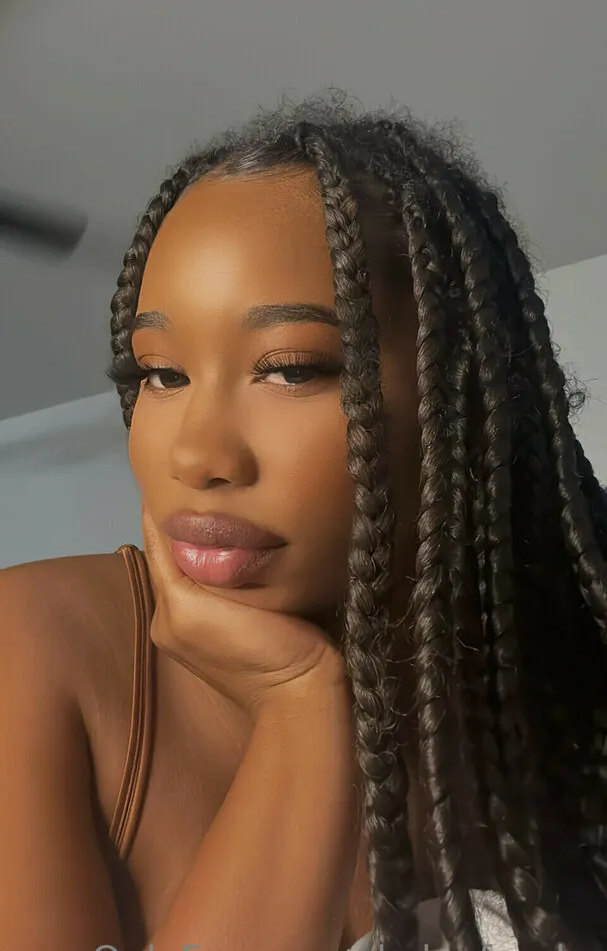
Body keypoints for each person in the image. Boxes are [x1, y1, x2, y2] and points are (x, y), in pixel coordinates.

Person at [1, 91, 606, 951]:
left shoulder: (559, 700)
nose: (197, 456)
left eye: (290, 369)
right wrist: (298, 707)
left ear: (463, 402)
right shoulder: (34, 638)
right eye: (161, 374)